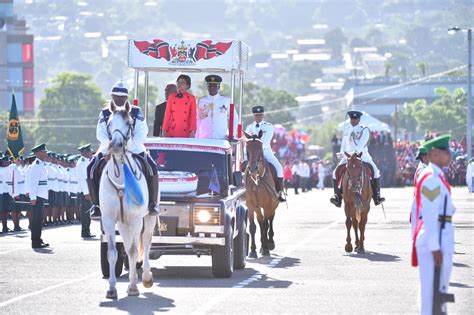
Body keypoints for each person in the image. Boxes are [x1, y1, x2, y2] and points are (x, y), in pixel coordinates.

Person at [87, 81, 159, 219]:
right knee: (90, 167)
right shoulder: (105, 112)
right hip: (109, 148)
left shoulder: (136, 111)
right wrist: (110, 147)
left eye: (122, 97)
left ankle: (153, 203)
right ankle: (95, 205)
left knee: (152, 167)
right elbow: (100, 133)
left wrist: (128, 148)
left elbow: (142, 131)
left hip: (134, 148)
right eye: (116, 96)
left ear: (127, 98)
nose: (119, 99)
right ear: (112, 96)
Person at [411, 134, 455, 315]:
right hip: (435, 239)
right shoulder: (430, 178)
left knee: (437, 293)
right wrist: (435, 247)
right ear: (435, 154)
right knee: (431, 297)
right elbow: (429, 215)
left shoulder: (435, 176)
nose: (450, 155)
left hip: (439, 236)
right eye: (446, 151)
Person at [330, 110, 385, 207]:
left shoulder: (364, 129)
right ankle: (337, 197)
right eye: (351, 118)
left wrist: (355, 153)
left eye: (355, 118)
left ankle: (377, 197)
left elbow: (362, 143)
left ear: (359, 119)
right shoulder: (346, 130)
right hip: (347, 156)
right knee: (335, 173)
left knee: (376, 172)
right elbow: (344, 144)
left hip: (362, 155)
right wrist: (342, 153)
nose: (353, 120)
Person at [245, 105, 286, 202]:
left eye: (260, 115)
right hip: (252, 154)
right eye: (256, 115)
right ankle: (244, 191)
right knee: (243, 169)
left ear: (263, 115)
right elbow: (247, 142)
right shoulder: (249, 127)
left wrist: (257, 145)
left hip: (266, 152)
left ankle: (278, 192)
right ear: (253, 116)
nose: (258, 117)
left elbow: (266, 140)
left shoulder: (269, 126)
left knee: (279, 169)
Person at [196, 75, 238, 139]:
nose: (212, 87)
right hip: (205, 137)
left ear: (218, 87)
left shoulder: (226, 101)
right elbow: (197, 118)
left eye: (214, 86)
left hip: (221, 136)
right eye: (210, 86)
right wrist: (197, 135)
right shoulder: (201, 101)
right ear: (207, 87)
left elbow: (234, 118)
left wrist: (232, 134)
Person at [27, 143, 49, 249]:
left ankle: (38, 239)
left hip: (41, 195)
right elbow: (33, 183)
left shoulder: (40, 164)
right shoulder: (36, 165)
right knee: (36, 220)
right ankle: (35, 241)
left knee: (39, 220)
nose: (46, 153)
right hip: (38, 196)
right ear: (38, 153)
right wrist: (33, 198)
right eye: (44, 152)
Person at [76, 144, 95, 238]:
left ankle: (87, 231)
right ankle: (84, 232)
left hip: (87, 191)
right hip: (84, 192)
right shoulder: (81, 163)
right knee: (85, 212)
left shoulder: (86, 161)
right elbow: (82, 179)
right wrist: (86, 192)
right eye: (89, 151)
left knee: (88, 212)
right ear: (84, 152)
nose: (91, 152)